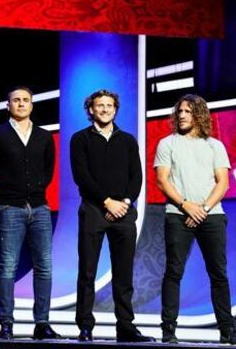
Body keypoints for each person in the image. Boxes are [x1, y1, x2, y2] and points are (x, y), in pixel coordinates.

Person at [155, 94, 236, 346]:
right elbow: (163, 180)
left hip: (212, 216)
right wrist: (187, 206)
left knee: (218, 274)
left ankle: (227, 331)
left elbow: (223, 183)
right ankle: (168, 331)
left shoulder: (215, 145)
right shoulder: (167, 143)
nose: (182, 115)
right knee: (174, 272)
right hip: (178, 215)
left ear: (199, 114)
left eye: (187, 111)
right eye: (179, 111)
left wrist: (203, 208)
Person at [70, 90, 153, 342]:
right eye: (99, 105)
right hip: (94, 210)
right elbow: (81, 176)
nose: (105, 109)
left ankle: (125, 327)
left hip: (124, 213)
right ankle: (85, 326)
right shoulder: (80, 139)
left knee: (124, 272)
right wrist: (107, 201)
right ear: (91, 110)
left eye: (109, 105)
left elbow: (136, 177)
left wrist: (125, 202)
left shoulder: (127, 140)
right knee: (87, 271)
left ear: (115, 109)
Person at [0, 86, 59, 341]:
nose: (21, 104)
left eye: (26, 100)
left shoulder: (45, 136)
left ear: (32, 106)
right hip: (9, 208)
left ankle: (42, 323)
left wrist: (35, 191)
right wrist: (1, 198)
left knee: (44, 266)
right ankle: (6, 324)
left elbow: (48, 170)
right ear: (8, 106)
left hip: (39, 207)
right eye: (16, 100)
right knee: (8, 267)